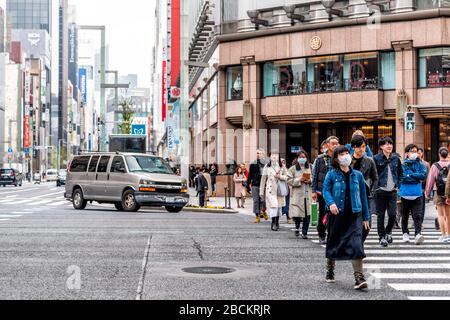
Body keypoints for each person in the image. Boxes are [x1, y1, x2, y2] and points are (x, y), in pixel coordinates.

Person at [322, 146, 371, 290]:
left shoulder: (358, 175)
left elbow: (363, 197)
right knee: (333, 241)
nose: (345, 156)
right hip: (337, 214)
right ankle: (330, 269)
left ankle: (359, 278)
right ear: (336, 159)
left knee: (357, 244)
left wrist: (366, 217)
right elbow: (326, 190)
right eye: (341, 154)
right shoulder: (331, 174)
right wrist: (331, 203)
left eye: (346, 153)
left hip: (354, 214)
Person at [373, 136, 403, 248]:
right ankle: (381, 237)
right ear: (381, 146)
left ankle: (388, 232)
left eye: (390, 143)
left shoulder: (395, 158)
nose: (389, 145)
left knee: (392, 215)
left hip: (392, 191)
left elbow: (401, 173)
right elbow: (373, 174)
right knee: (380, 215)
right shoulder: (376, 158)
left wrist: (398, 185)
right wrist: (376, 187)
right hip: (380, 191)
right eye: (386, 144)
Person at [350, 135, 379, 243]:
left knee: (367, 223)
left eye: (363, 146)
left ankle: (360, 242)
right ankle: (355, 244)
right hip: (351, 195)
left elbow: (375, 178)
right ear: (353, 147)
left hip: (366, 195)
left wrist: (372, 191)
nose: (361, 149)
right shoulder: (348, 161)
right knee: (352, 222)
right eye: (358, 147)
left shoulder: (369, 161)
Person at [312, 136, 340, 244]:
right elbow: (315, 175)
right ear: (327, 145)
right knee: (323, 213)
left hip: (336, 190)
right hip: (322, 191)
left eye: (337, 143)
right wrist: (314, 190)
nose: (335, 145)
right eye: (333, 143)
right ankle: (322, 234)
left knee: (335, 213)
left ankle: (333, 234)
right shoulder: (320, 158)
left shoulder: (339, 158)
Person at [398, 144, 427, 245]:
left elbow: (423, 176)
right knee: (405, 215)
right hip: (405, 194)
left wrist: (411, 175)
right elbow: (403, 177)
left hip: (417, 194)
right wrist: (416, 177)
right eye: (412, 151)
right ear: (406, 153)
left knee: (417, 215)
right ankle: (405, 233)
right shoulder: (402, 165)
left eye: (415, 151)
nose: (414, 153)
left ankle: (417, 234)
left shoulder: (420, 164)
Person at [426, 147, 450, 243]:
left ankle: (443, 235)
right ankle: (449, 235)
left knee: (440, 215)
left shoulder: (435, 166)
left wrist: (427, 193)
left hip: (438, 192)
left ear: (439, 154)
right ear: (448, 154)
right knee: (448, 215)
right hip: (449, 192)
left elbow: (430, 181)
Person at [260, 152, 288, 232]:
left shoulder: (282, 166)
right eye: (272, 155)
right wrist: (261, 192)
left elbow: (287, 176)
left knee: (278, 207)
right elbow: (263, 179)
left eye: (276, 155)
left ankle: (277, 221)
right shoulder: (267, 166)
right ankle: (273, 223)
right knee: (273, 206)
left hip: (279, 189)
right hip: (270, 190)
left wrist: (280, 177)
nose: (274, 156)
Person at [287, 150, 312, 239]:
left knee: (307, 215)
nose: (302, 159)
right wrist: (299, 180)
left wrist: (310, 181)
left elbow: (314, 178)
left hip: (308, 195)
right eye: (300, 157)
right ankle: (297, 227)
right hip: (297, 195)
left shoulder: (311, 167)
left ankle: (304, 232)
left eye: (304, 157)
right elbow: (288, 180)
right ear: (297, 158)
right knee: (297, 214)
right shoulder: (292, 169)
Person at [248, 149, 269, 223]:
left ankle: (263, 211)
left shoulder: (267, 164)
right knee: (256, 201)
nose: (258, 155)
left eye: (259, 153)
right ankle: (257, 216)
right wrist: (248, 186)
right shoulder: (253, 164)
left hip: (264, 185)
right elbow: (250, 175)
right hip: (255, 185)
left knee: (263, 200)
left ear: (263, 154)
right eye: (257, 153)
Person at [281, 158, 293, 224]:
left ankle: (288, 217)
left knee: (287, 203)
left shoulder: (287, 169)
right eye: (282, 162)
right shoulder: (278, 168)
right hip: (279, 189)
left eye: (284, 162)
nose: (283, 163)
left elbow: (288, 177)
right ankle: (276, 219)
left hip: (286, 188)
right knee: (281, 203)